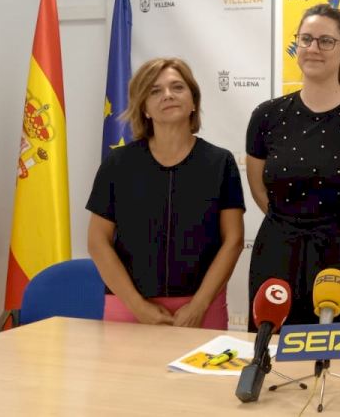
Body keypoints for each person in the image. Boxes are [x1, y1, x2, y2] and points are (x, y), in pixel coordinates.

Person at [245, 4, 340, 340]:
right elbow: (257, 187)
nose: (313, 48)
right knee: (273, 356)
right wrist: (291, 225)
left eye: (326, 41)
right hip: (278, 255)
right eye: (306, 39)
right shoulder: (266, 116)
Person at [87, 58, 246, 329]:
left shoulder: (221, 163)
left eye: (177, 87)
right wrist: (138, 306)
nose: (168, 95)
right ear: (144, 108)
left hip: (201, 307)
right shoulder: (118, 164)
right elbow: (97, 241)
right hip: (128, 306)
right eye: (155, 91)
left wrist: (199, 305)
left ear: (193, 101)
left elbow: (233, 239)